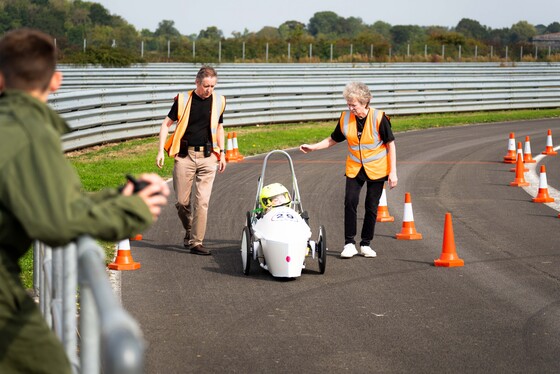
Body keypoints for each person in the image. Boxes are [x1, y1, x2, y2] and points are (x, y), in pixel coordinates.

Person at [0, 28, 170, 373]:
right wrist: (133, 209)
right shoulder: (26, 129)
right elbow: (57, 221)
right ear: (57, 81)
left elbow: (48, 200)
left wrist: (115, 198)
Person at [300, 81, 397, 259]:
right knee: (350, 202)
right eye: (349, 104)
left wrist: (393, 172)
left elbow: (390, 145)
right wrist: (313, 147)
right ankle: (349, 244)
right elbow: (332, 139)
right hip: (354, 168)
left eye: (354, 104)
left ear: (365, 102)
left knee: (371, 206)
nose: (351, 108)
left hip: (377, 168)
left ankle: (366, 244)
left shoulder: (379, 118)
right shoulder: (345, 118)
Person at [156, 66, 227, 256]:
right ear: (197, 82)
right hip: (184, 156)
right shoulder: (182, 100)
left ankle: (197, 242)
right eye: (206, 86)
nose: (209, 90)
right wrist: (160, 151)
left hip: (208, 157)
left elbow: (219, 128)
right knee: (181, 202)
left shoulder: (219, 101)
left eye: (212, 86)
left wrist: (223, 153)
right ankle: (189, 228)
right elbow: (166, 124)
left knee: (202, 202)